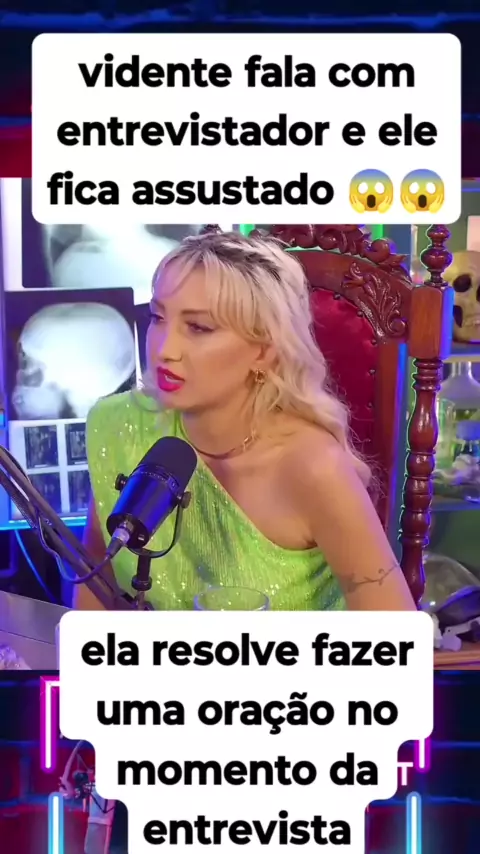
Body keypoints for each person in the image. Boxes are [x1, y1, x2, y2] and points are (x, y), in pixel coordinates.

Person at [75, 230, 416, 612]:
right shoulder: (120, 425)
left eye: (198, 327)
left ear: (264, 350)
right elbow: (94, 585)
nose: (164, 350)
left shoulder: (314, 467)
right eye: (158, 317)